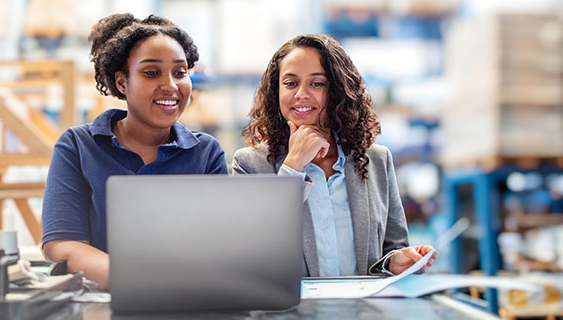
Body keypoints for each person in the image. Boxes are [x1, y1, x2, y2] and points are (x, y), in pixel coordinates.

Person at [42, 13, 228, 289]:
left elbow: (221, 245)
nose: (171, 85)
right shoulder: (78, 146)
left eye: (180, 72)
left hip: (187, 299)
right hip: (104, 302)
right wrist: (137, 282)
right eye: (151, 73)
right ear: (121, 82)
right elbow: (62, 244)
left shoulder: (206, 153)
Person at [232, 34, 437, 277]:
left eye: (317, 83)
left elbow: (393, 246)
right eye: (290, 83)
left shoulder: (376, 161)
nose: (301, 94)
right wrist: (293, 167)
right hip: (292, 313)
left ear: (338, 91)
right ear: (275, 92)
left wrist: (394, 262)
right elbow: (248, 253)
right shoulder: (249, 164)